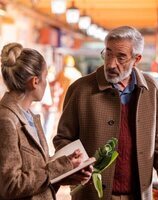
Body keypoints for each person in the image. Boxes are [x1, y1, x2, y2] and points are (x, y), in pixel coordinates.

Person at [53, 26, 158, 200]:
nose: (111, 63)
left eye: (121, 57)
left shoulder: (149, 89)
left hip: (139, 193)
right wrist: (77, 167)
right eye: (108, 53)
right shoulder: (80, 90)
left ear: (136, 59)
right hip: (92, 194)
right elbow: (63, 139)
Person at [0, 43, 92, 200]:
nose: (47, 83)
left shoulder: (30, 116)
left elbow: (36, 170)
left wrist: (64, 176)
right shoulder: (6, 121)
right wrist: (61, 166)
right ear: (35, 81)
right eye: (45, 78)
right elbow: (11, 186)